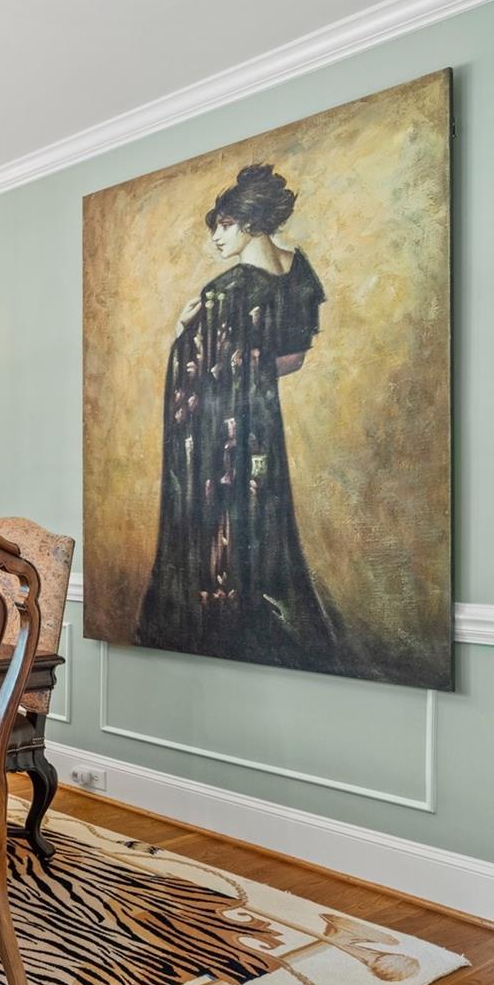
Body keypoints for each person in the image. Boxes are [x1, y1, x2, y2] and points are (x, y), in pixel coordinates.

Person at [135, 163, 341, 674]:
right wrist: (245, 372)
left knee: (221, 507)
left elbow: (198, 371)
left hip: (218, 428)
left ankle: (226, 614)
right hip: (259, 420)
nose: (216, 238)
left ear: (249, 222)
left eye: (224, 225)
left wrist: (183, 334)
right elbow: (292, 358)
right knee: (257, 506)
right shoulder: (298, 273)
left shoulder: (226, 292)